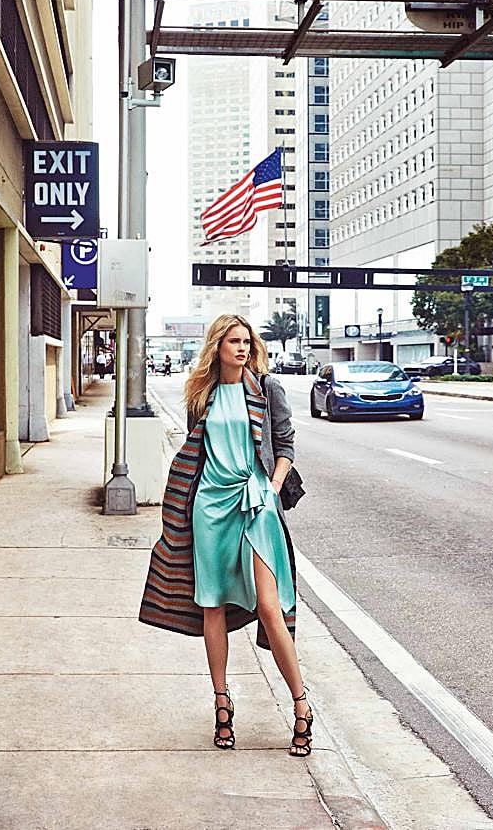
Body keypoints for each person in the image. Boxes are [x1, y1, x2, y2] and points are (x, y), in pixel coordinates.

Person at [139, 314, 312, 756]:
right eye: (232, 341)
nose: (241, 347)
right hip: (211, 510)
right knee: (211, 607)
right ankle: (221, 704)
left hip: (256, 506)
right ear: (217, 346)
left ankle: (301, 705)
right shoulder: (203, 393)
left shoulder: (267, 389)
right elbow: (195, 455)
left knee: (270, 608)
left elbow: (285, 446)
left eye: (246, 341)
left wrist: (272, 491)